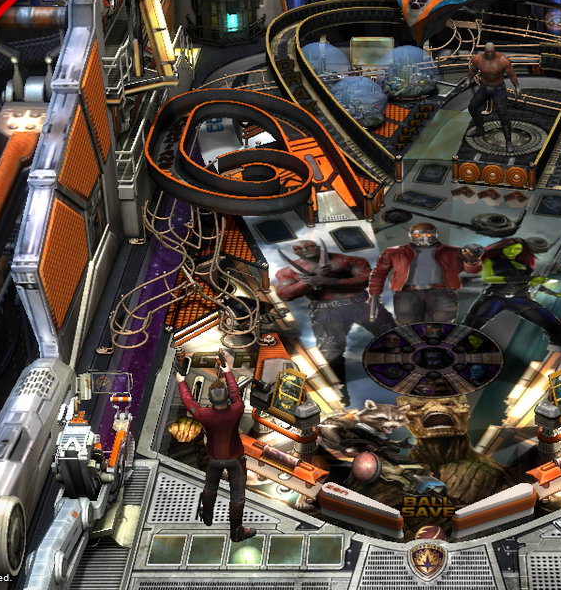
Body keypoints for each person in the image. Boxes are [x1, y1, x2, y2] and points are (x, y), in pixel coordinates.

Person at [276, 239, 394, 396]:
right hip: (326, 311)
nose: (305, 250)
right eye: (299, 248)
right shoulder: (287, 271)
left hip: (360, 304)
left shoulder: (348, 260)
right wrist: (311, 280)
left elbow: (367, 280)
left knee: (393, 337)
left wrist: (329, 281)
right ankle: (339, 395)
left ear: (318, 247)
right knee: (329, 354)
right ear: (294, 252)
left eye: (309, 246)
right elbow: (285, 294)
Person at [175, 351, 256, 541]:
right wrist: (227, 372)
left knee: (210, 488)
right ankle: (236, 532)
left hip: (214, 459)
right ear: (226, 398)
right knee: (237, 496)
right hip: (235, 459)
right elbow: (236, 393)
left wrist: (181, 382)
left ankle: (207, 517)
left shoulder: (204, 415)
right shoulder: (237, 410)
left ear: (211, 400)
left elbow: (189, 402)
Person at [461, 238, 561, 352]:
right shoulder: (490, 261)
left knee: (557, 328)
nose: (512, 251)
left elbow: (532, 284)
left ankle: (558, 356)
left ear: (522, 250)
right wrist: (528, 278)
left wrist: (554, 293)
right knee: (467, 330)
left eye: (517, 249)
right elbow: (488, 278)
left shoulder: (524, 265)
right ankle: (455, 352)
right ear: (502, 248)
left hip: (520, 298)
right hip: (495, 297)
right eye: (508, 248)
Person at [369, 223, 482, 325]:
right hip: (407, 293)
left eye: (428, 235)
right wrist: (375, 293)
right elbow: (379, 273)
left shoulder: (453, 251)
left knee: (444, 327)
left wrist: (473, 260)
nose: (423, 238)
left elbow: (472, 270)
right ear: (411, 235)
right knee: (408, 328)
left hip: (442, 292)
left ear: (435, 234)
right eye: (418, 235)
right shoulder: (393, 252)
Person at [467, 42, 521, 153]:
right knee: (472, 107)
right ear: (485, 51)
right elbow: (473, 70)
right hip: (484, 88)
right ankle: (480, 129)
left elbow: (511, 74)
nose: (490, 54)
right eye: (488, 52)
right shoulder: (478, 59)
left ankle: (508, 142)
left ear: (494, 51)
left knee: (503, 114)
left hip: (498, 90)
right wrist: (468, 79)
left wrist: (517, 87)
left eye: (492, 52)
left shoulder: (503, 60)